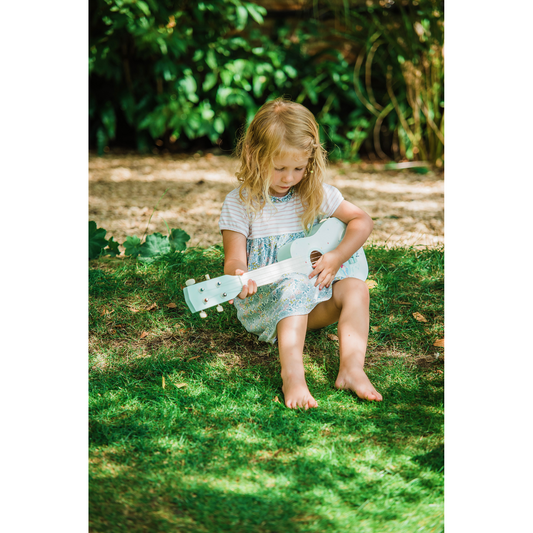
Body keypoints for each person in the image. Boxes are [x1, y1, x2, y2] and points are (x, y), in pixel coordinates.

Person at [219, 98, 382, 409]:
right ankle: (293, 377)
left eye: (298, 167)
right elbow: (234, 260)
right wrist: (238, 276)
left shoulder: (314, 192)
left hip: (314, 299)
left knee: (356, 288)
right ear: (255, 156)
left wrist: (336, 257)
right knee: (294, 286)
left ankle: (352, 369)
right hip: (267, 302)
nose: (289, 178)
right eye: (279, 168)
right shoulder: (240, 203)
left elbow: (362, 221)